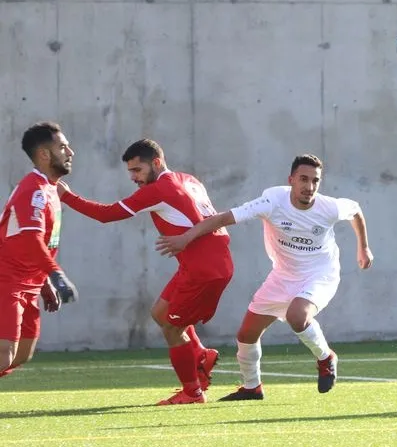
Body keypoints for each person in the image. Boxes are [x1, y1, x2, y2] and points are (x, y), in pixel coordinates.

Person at [155, 154, 373, 401]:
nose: (309, 186)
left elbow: (355, 210)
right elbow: (224, 218)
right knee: (246, 335)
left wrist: (363, 248)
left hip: (320, 275)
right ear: (291, 180)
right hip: (282, 276)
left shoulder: (329, 207)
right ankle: (252, 387)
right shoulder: (272, 201)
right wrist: (186, 238)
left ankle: (326, 358)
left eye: (315, 181)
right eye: (303, 179)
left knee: (297, 316)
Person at [57, 139, 233, 405]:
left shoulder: (158, 189)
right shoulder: (188, 179)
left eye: (137, 170)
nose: (133, 177)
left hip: (203, 270)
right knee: (160, 313)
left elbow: (107, 214)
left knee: (172, 329)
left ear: (157, 163)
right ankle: (201, 356)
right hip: (206, 262)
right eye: (130, 171)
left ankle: (192, 393)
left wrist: (67, 196)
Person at [0, 122, 79, 378]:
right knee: (5, 353)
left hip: (30, 282)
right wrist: (57, 275)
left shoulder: (50, 188)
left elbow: (36, 243)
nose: (70, 152)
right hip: (7, 280)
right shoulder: (33, 189)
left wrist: (44, 283)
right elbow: (31, 238)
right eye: (63, 147)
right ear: (44, 154)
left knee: (23, 353)